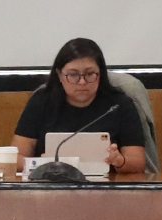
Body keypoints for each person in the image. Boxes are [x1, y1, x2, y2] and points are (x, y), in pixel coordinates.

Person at [12, 37, 145, 175]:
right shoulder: (41, 101)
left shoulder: (118, 105)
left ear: (100, 74)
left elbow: (138, 163)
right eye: (73, 75)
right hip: (52, 184)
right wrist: (41, 164)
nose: (82, 82)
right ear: (59, 75)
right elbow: (15, 158)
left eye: (90, 74)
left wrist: (119, 161)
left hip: (105, 185)